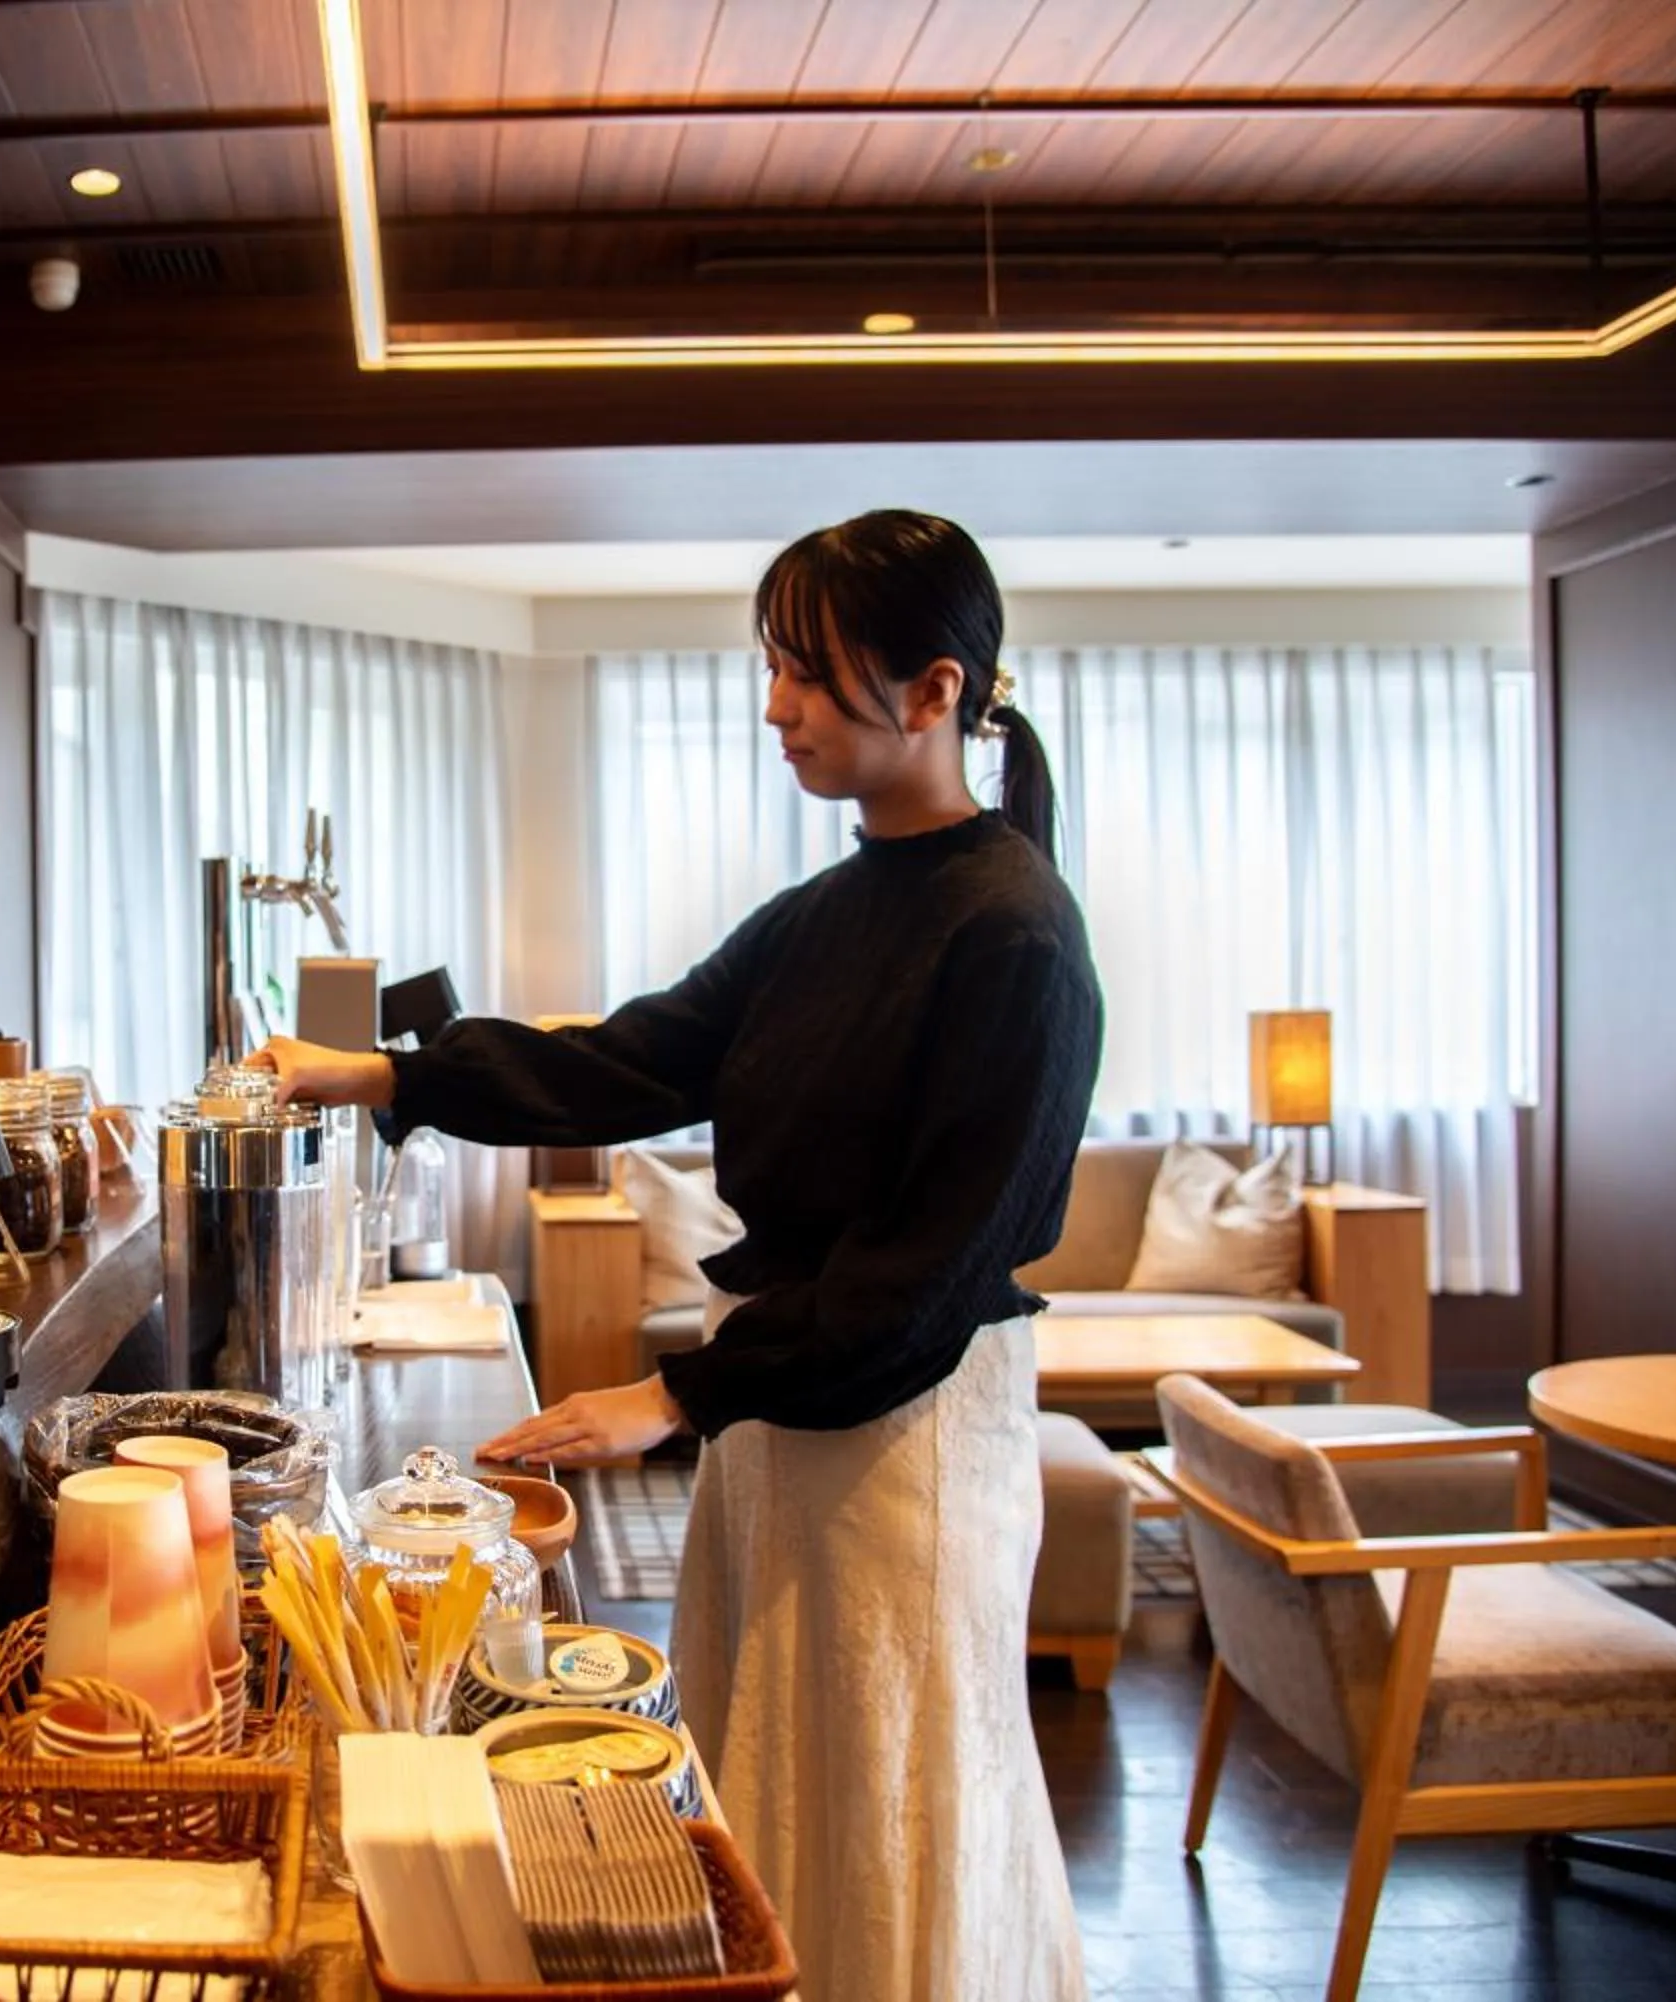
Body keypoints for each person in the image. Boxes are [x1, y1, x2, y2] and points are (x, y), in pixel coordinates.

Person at [250, 509, 1102, 2000]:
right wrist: (383, 1074)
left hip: (908, 1433)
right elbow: (632, 1058)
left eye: (811, 672)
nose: (777, 706)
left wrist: (674, 1395)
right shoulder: (824, 915)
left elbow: (928, 1276)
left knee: (895, 1793)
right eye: (774, 667)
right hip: (788, 1407)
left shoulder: (1013, 934)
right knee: (779, 1760)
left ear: (936, 691)